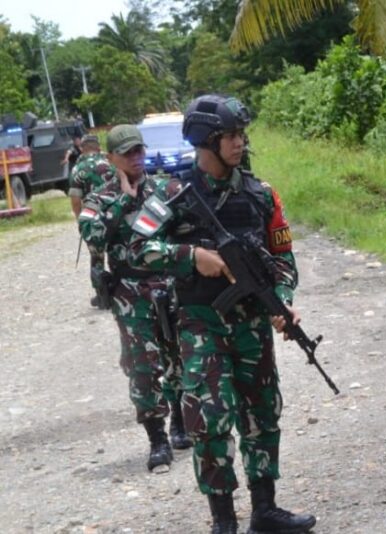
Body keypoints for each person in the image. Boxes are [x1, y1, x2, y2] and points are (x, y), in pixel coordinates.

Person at [128, 94, 315, 534]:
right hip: (200, 324)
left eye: (241, 134)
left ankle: (265, 510)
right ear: (206, 140)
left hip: (252, 324)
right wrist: (192, 256)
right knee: (209, 421)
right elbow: (135, 249)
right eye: (230, 135)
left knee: (262, 414)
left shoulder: (260, 193)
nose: (239, 142)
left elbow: (283, 259)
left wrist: (282, 300)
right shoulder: (170, 193)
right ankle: (224, 521)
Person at [78, 125, 189, 474]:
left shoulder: (165, 187)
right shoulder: (100, 198)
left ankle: (181, 424)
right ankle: (157, 439)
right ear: (110, 158)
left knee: (180, 355)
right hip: (130, 291)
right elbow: (92, 235)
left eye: (139, 151)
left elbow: (189, 224)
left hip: (171, 285)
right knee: (143, 365)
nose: (136, 158)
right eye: (127, 153)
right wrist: (125, 199)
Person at [68, 134, 116, 307]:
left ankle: (102, 294)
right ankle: (121, 291)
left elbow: (75, 199)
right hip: (115, 213)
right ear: (98, 146)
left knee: (97, 257)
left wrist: (80, 220)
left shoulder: (78, 169)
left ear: (82, 148)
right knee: (118, 251)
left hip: (93, 216)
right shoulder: (110, 162)